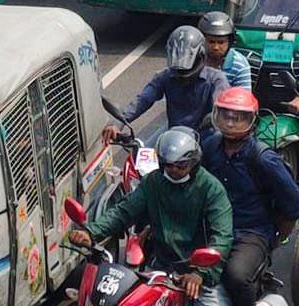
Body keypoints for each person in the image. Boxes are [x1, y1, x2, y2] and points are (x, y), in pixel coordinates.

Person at [68, 127, 231, 305]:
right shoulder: (154, 182)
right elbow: (124, 211)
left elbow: (222, 237)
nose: (174, 170)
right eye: (168, 165)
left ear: (193, 162)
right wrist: (91, 232)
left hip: (197, 275)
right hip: (160, 269)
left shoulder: (211, 189)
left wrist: (201, 273)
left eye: (181, 165)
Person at [201, 87, 299, 306]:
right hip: (210, 228)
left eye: (238, 118)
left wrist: (273, 239)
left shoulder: (263, 158)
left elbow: (294, 205)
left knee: (236, 277)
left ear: (252, 121)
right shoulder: (210, 147)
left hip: (250, 233)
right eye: (226, 116)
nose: (230, 123)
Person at [124, 26, 230, 130]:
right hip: (175, 136)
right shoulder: (165, 75)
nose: (182, 74)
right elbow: (143, 100)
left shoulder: (216, 79)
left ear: (200, 56)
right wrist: (119, 122)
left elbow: (221, 108)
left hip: (206, 137)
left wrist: (213, 118)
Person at [200, 11, 252, 90]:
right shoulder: (193, 60)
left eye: (221, 42)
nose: (216, 47)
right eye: (211, 42)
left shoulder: (239, 65)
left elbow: (242, 99)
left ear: (229, 42)